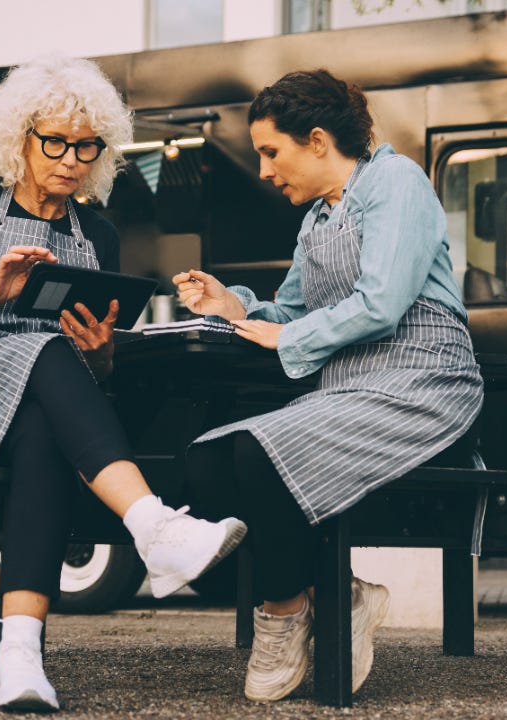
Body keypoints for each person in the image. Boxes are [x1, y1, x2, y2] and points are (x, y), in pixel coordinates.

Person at [0, 55, 246, 713]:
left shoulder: (97, 233)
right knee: (44, 349)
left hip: (30, 407)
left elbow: (89, 375)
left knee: (45, 426)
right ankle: (154, 527)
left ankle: (18, 657)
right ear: (18, 138)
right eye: (55, 140)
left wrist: (102, 353)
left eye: (87, 146)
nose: (71, 159)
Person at [173, 69, 484, 702]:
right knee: (206, 457)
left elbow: (384, 303)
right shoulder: (315, 219)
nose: (263, 170)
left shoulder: (396, 181)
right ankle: (334, 598)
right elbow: (289, 315)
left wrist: (284, 339)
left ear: (316, 140)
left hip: (422, 379)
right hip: (345, 390)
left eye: (270, 152)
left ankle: (286, 617)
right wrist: (231, 305)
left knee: (256, 453)